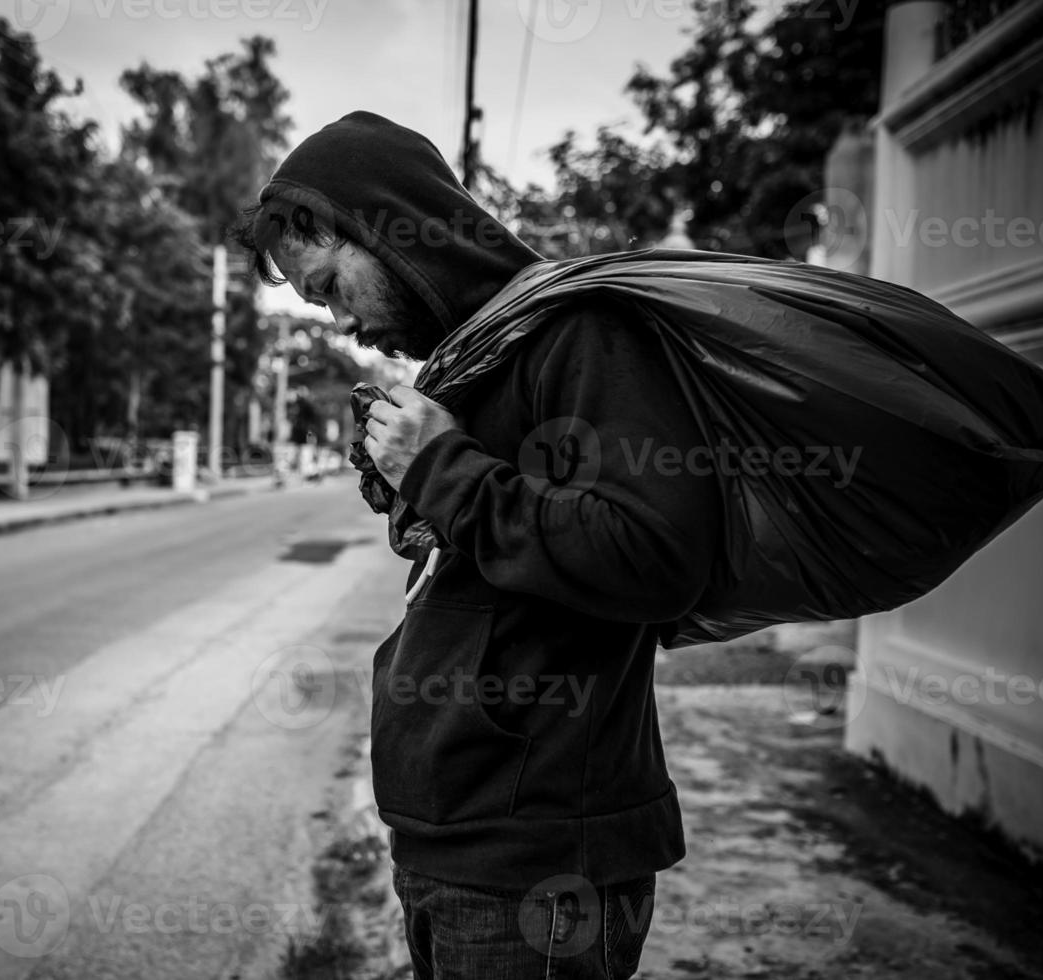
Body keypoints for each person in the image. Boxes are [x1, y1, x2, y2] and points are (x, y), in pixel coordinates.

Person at [232, 111, 722, 979]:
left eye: (334, 286)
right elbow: (503, 550)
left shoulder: (579, 332)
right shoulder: (479, 355)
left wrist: (445, 469)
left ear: (385, 229)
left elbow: (654, 558)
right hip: (457, 845)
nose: (342, 321)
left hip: (536, 865)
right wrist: (417, 491)